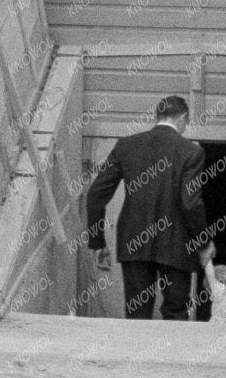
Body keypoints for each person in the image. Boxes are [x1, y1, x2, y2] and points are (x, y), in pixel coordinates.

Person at [83, 97, 217, 321]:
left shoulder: (126, 145)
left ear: (158, 116)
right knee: (176, 314)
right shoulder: (191, 151)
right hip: (176, 244)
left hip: (134, 241)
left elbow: (95, 195)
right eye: (187, 122)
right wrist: (203, 243)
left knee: (137, 314)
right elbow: (190, 203)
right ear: (183, 117)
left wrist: (98, 243)